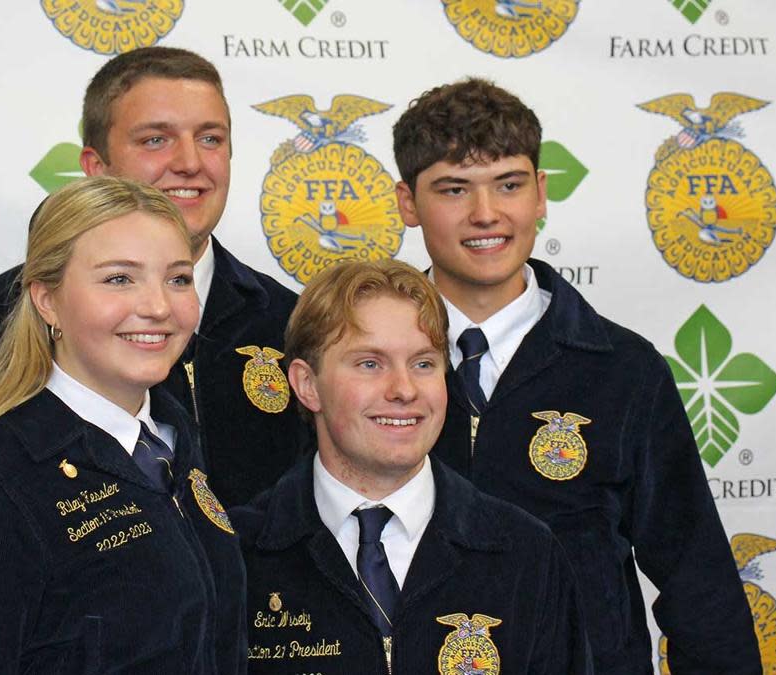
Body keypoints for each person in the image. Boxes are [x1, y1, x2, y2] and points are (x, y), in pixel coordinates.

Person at [392, 78, 760, 673]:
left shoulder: (623, 370)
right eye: (454, 189)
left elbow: (698, 581)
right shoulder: (360, 368)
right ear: (408, 202)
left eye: (508, 185)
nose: (486, 214)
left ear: (539, 193)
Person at [0, 46, 305, 506]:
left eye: (210, 138)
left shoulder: (290, 320)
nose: (190, 162)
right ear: (95, 169)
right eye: (155, 140)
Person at [0, 176, 246, 673]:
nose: (159, 307)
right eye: (119, 279)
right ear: (47, 300)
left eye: (178, 278)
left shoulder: (170, 437)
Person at [232, 259, 591, 674]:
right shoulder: (237, 554)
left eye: (423, 364)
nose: (403, 390)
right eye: (370, 364)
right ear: (307, 385)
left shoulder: (525, 553)